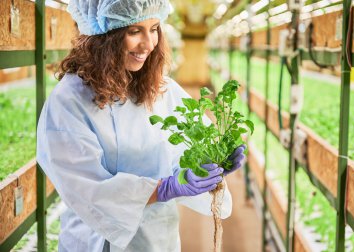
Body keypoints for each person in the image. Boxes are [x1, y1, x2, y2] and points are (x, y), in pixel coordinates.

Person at [36, 0, 246, 251]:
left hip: (158, 239)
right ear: (102, 36)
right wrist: (167, 187)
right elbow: (89, 188)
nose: (148, 44)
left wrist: (213, 160)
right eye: (134, 31)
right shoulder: (69, 101)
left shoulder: (159, 89)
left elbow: (187, 147)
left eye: (155, 28)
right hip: (96, 241)